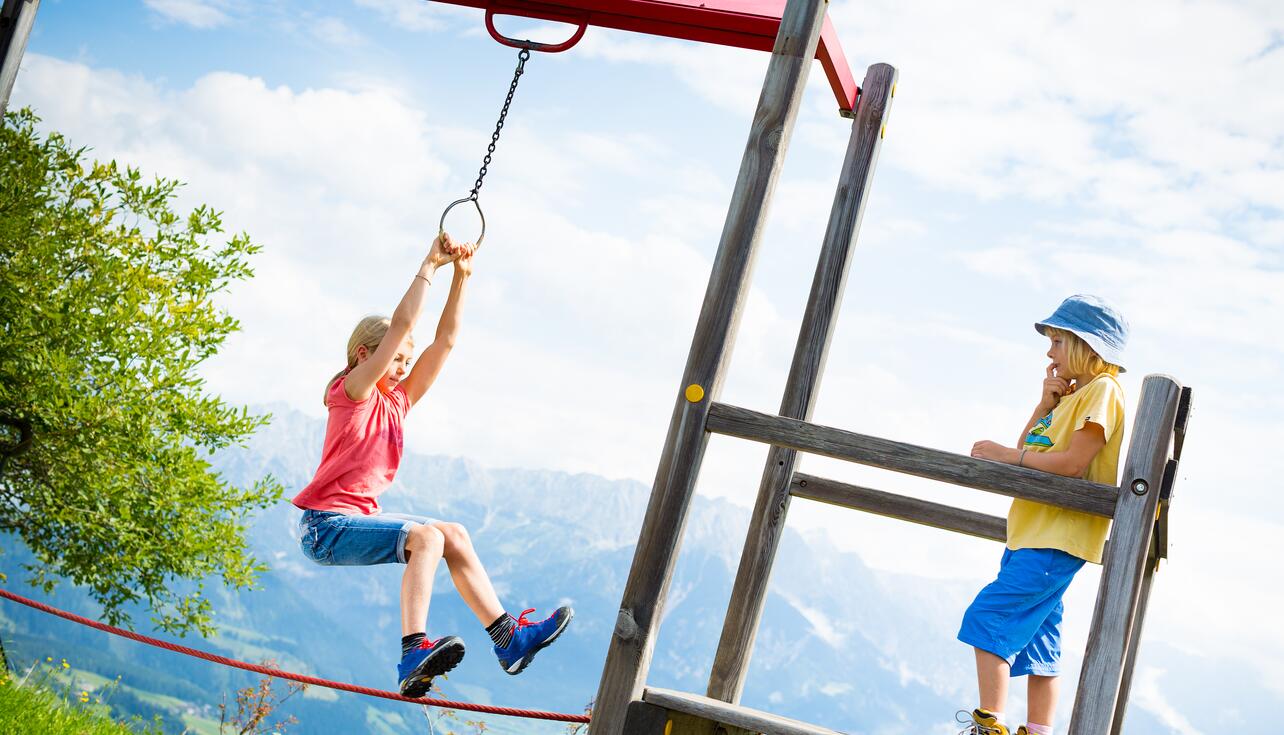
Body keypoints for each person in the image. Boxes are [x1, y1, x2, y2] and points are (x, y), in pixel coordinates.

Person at [292, 232, 572, 698]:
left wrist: (462, 279)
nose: (401, 366)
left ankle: (509, 641)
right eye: (394, 358)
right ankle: (412, 652)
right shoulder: (352, 392)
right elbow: (402, 324)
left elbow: (444, 341)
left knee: (454, 534)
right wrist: (430, 265)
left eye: (405, 360)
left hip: (355, 520)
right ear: (365, 356)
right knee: (427, 537)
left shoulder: (398, 402)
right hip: (324, 527)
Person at [957, 295, 1130, 735]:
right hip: (1033, 535)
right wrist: (1043, 408)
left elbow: (1072, 463)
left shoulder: (1103, 392)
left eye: (1056, 341)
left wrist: (1009, 455)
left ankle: (989, 726)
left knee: (987, 617)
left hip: (1055, 537)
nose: (1049, 353)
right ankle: (1038, 731)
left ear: (1083, 344)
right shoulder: (1075, 397)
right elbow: (1031, 450)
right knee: (1039, 641)